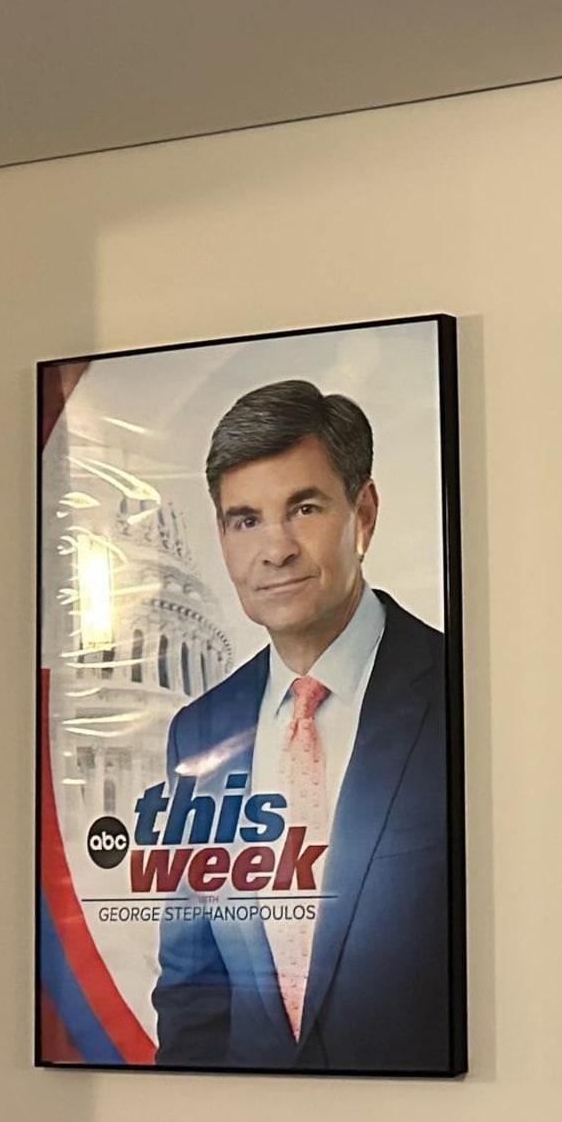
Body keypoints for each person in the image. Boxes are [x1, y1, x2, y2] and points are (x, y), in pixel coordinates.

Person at [152, 379, 457, 1073]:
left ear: (364, 513)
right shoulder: (199, 733)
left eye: (305, 507)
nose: (276, 548)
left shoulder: (464, 688)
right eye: (245, 519)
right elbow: (192, 987)